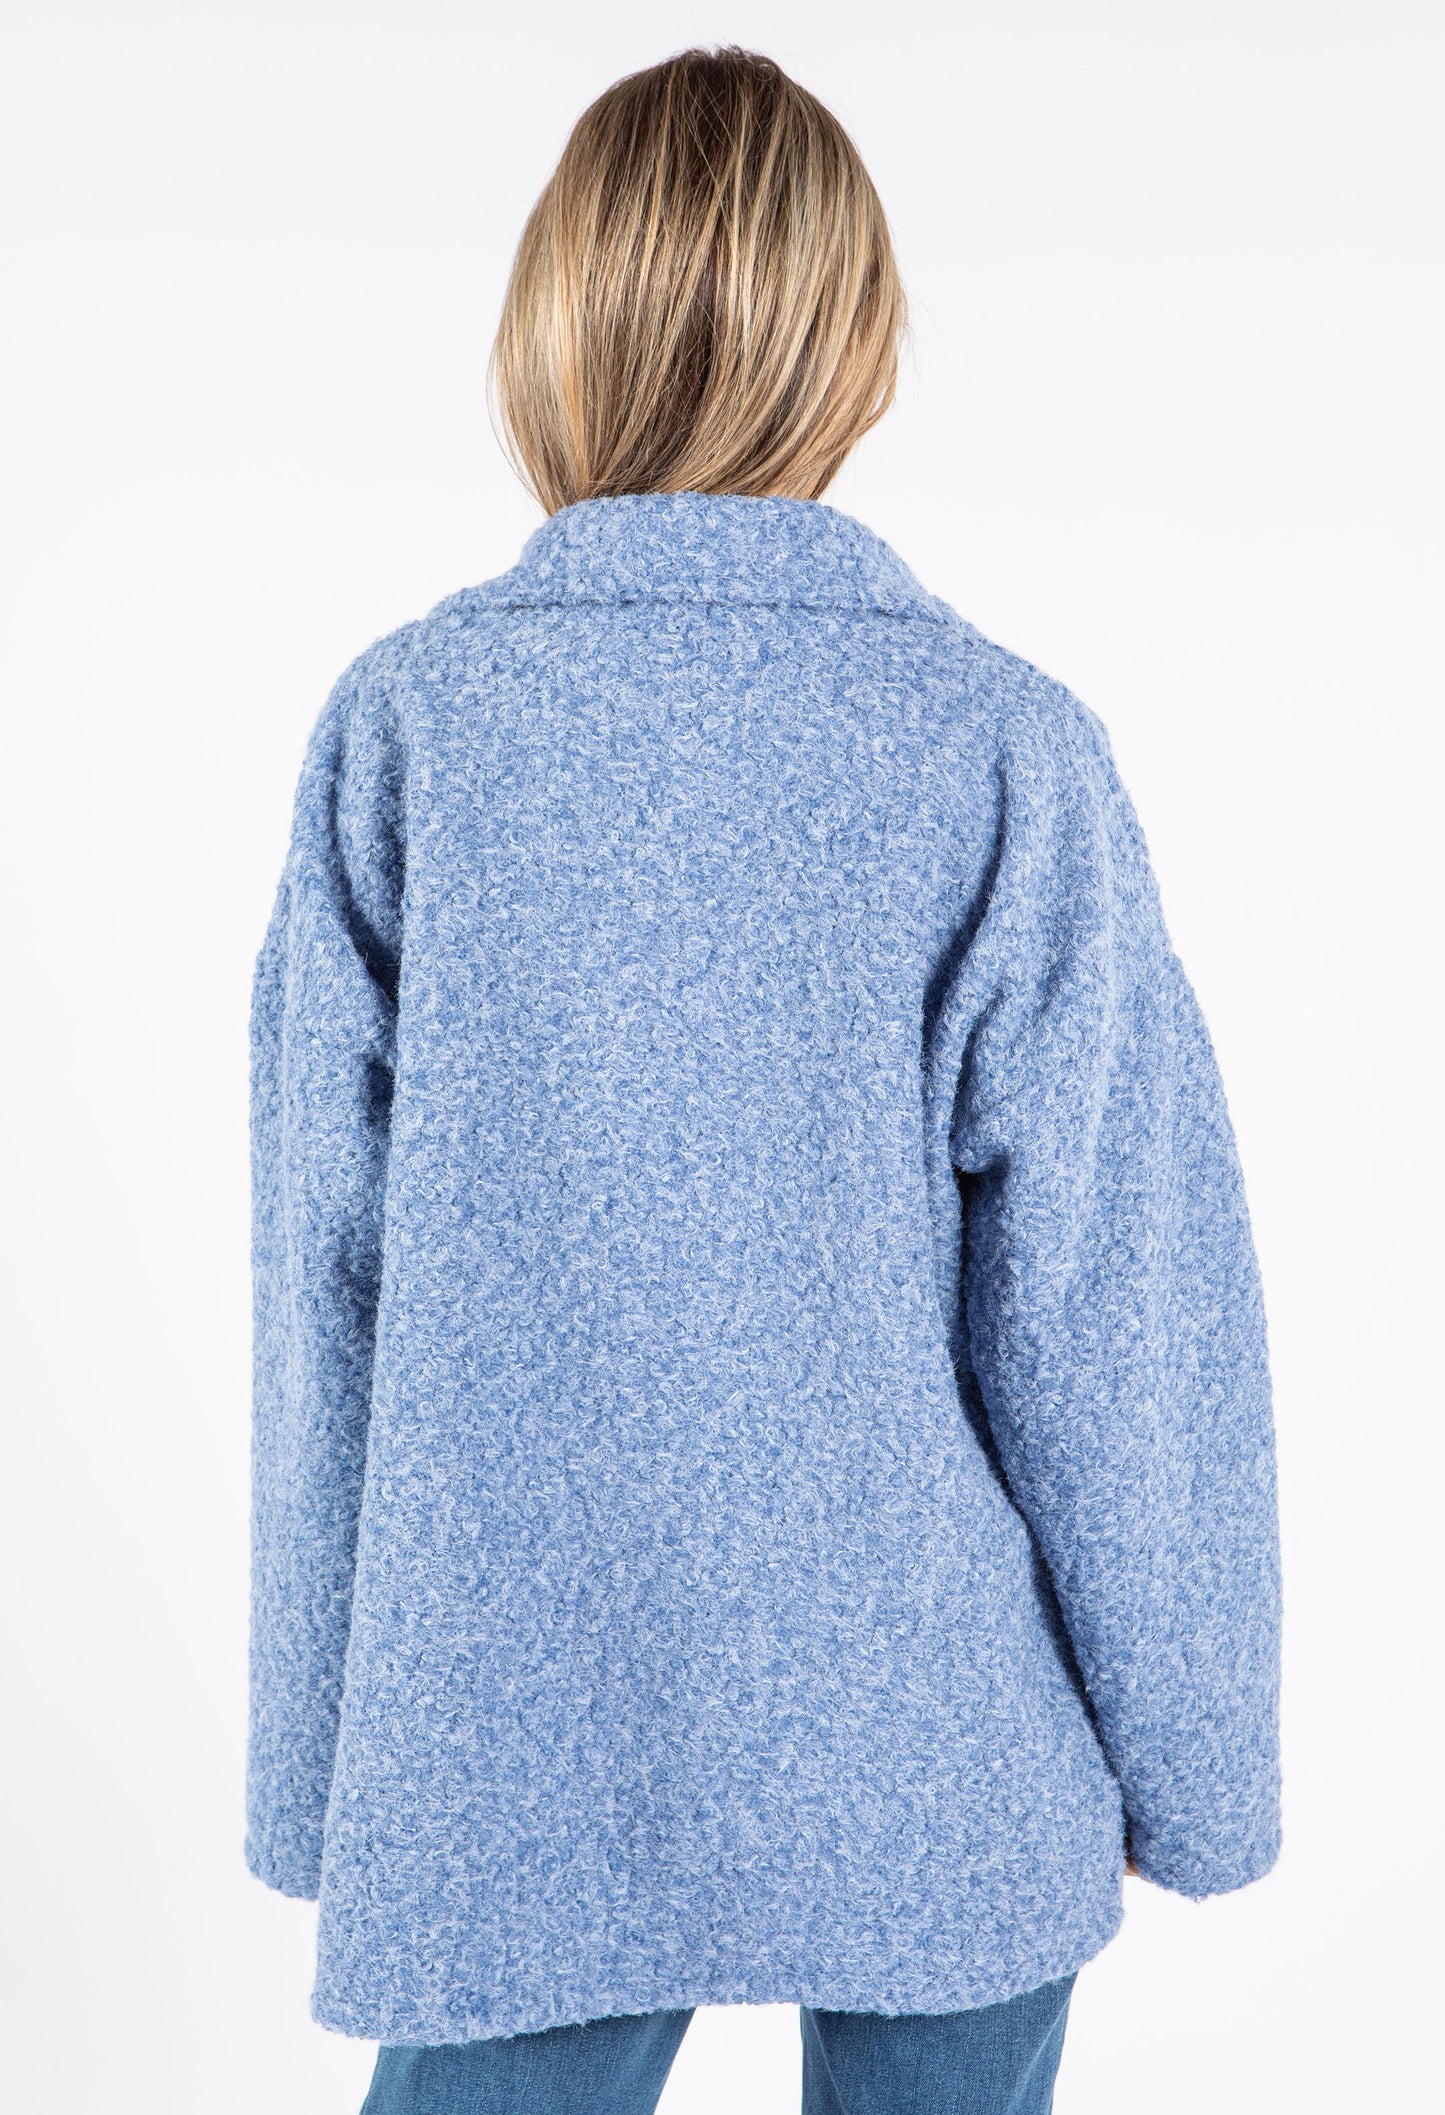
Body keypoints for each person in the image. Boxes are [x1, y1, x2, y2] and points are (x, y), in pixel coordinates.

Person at [246, 46, 1282, 2115]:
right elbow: (1117, 1321)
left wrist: (324, 1771)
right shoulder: (998, 745)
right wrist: (1199, 1765)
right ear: (855, 340)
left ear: (553, 321)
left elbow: (323, 1296)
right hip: (940, 1739)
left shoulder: (411, 732)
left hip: (511, 1744)